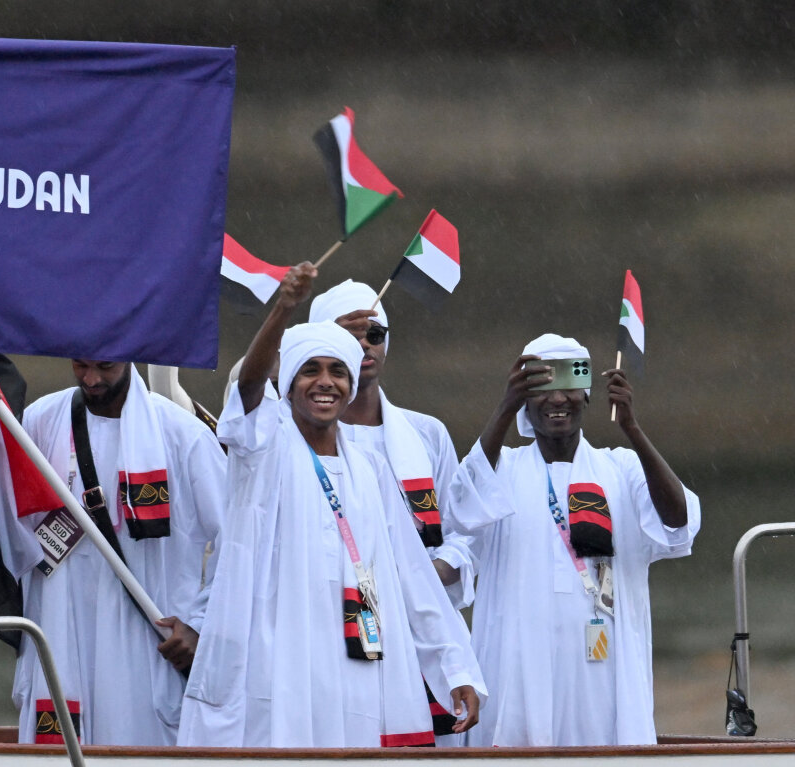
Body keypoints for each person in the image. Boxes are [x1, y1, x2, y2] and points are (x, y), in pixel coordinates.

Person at [179, 263, 485, 748]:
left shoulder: (370, 470)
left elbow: (413, 576)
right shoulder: (263, 446)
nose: (326, 383)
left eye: (338, 371)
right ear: (289, 378)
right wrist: (284, 309)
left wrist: (454, 666)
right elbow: (248, 389)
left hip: (354, 659)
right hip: (277, 660)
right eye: (311, 370)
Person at [0, 358, 225, 746]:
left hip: (146, 654)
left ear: (130, 355)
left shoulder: (183, 435)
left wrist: (201, 625)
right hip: (60, 638)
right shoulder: (39, 422)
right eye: (80, 365)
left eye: (105, 366)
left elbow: (240, 544)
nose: (91, 379)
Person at [453, 333, 700, 747]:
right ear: (524, 404)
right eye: (542, 386)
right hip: (518, 670)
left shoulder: (619, 468)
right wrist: (504, 405)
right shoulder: (502, 469)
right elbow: (461, 506)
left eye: (570, 383)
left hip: (603, 671)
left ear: (586, 395)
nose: (557, 399)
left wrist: (633, 429)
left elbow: (678, 521)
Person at [308, 280, 481, 743]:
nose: (364, 344)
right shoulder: (292, 444)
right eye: (350, 333)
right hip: (328, 630)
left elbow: (462, 534)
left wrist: (425, 571)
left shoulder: (426, 434)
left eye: (375, 334)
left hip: (417, 629)